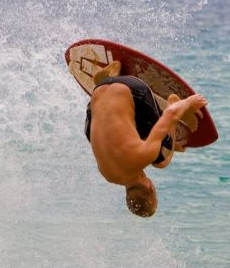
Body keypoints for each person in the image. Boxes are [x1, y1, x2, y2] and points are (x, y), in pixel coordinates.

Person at [84, 61, 208, 217]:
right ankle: (108, 77)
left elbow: (170, 114)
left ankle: (174, 108)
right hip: (98, 92)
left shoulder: (143, 155)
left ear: (151, 188)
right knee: (101, 134)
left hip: (131, 87)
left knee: (162, 160)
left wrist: (189, 103)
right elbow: (117, 138)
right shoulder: (107, 175)